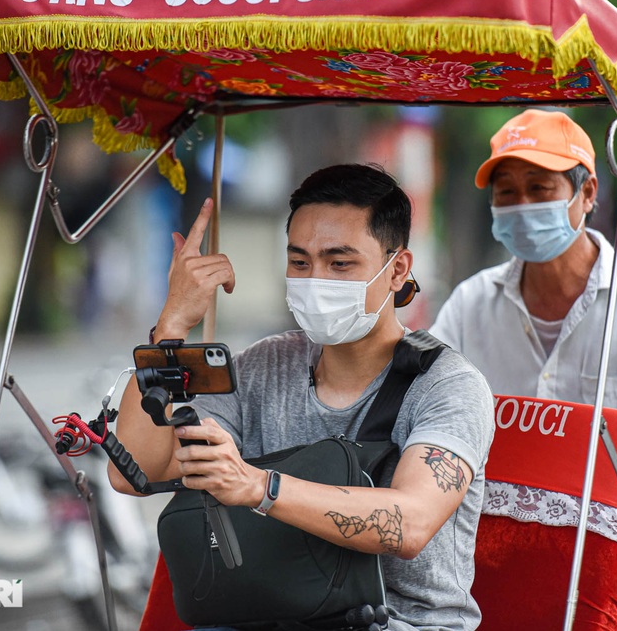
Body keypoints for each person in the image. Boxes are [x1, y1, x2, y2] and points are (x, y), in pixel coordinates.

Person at [109, 163, 495, 631]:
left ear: (397, 271)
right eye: (299, 262)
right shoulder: (264, 365)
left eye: (340, 263)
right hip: (266, 615)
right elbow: (135, 471)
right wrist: (171, 327)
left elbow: (409, 525)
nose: (316, 280)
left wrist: (260, 487)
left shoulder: (447, 384)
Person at [429, 109, 617, 630]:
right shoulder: (468, 307)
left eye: (539, 188)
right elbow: (430, 412)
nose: (521, 206)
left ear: (587, 195)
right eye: (506, 192)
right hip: (497, 571)